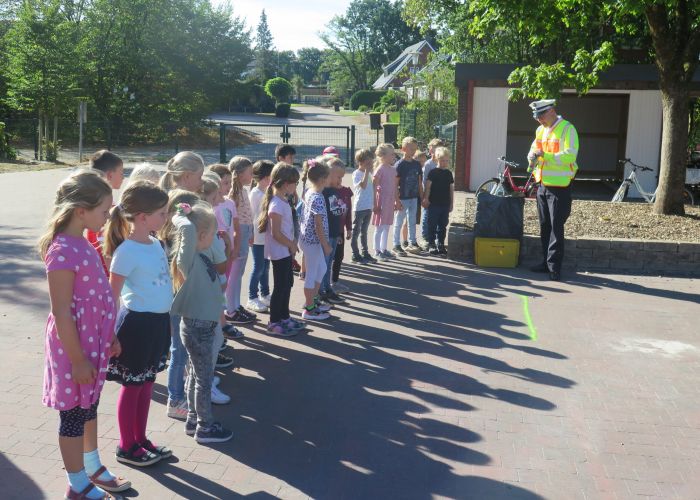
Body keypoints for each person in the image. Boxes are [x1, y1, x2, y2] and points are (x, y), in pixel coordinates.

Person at [38, 170, 130, 499]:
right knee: (74, 417)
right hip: (73, 349)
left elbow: (99, 299)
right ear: (81, 211)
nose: (108, 217)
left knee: (89, 407)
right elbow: (62, 311)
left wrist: (109, 336)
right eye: (104, 211)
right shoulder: (62, 251)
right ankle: (76, 484)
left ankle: (91, 466)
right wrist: (77, 360)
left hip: (93, 344)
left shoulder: (85, 243)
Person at [102, 181, 172, 467]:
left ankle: (140, 439)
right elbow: (112, 297)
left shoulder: (156, 243)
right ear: (142, 217)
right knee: (132, 386)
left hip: (158, 324)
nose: (166, 217)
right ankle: (126, 445)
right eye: (162, 213)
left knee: (147, 383)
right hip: (136, 326)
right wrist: (110, 335)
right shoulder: (127, 251)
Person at [170, 202, 234, 444]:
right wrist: (182, 215)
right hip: (198, 326)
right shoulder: (188, 258)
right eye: (212, 234)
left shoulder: (203, 253)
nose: (215, 238)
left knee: (197, 376)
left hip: (202, 323)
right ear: (202, 235)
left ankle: (193, 420)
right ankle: (205, 427)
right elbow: (187, 230)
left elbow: (220, 264)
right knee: (204, 380)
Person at [158, 151, 206, 420]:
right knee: (178, 348)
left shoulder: (179, 203)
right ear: (187, 176)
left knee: (183, 346)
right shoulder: (180, 206)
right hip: (179, 291)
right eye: (200, 176)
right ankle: (175, 398)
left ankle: (184, 390)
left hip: (183, 288)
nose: (202, 181)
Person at [527, 99, 579, 281]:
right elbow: (533, 149)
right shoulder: (540, 130)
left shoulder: (567, 129)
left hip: (560, 186)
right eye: (536, 117)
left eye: (541, 116)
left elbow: (570, 155)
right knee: (545, 226)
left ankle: (554, 268)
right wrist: (531, 156)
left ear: (551, 111)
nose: (539, 120)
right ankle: (545, 263)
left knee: (556, 227)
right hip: (542, 184)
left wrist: (546, 156)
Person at [258, 163, 306, 336]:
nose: (296, 186)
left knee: (287, 284)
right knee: (280, 287)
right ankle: (274, 322)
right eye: (295, 183)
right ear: (286, 184)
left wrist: (291, 245)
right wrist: (291, 244)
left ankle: (284, 318)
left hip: (285, 251)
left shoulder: (283, 200)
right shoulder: (276, 205)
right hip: (279, 253)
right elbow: (276, 233)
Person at [207, 164, 244, 341]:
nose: (229, 186)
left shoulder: (229, 203)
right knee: (215, 289)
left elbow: (236, 228)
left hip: (228, 254)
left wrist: (235, 248)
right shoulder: (208, 206)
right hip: (214, 256)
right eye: (225, 182)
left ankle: (221, 322)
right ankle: (220, 324)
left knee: (223, 286)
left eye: (230, 182)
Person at [299, 160, 333, 320]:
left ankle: (313, 301)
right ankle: (309, 309)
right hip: (313, 242)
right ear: (322, 179)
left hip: (311, 240)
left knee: (322, 269)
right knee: (312, 274)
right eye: (328, 176)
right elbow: (318, 224)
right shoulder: (317, 197)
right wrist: (325, 245)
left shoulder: (311, 192)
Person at [225, 156, 257, 325]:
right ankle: (230, 309)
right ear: (239, 174)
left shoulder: (244, 190)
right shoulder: (233, 193)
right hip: (238, 234)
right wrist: (236, 241)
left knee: (239, 273)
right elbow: (233, 220)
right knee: (234, 274)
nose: (252, 175)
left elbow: (247, 214)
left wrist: (251, 231)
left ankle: (236, 306)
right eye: (250, 172)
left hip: (245, 231)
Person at [87, 150, 125, 275]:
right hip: (106, 272)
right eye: (121, 173)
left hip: (96, 267)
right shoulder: (106, 208)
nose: (123, 177)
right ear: (109, 175)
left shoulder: (94, 202)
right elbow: (105, 245)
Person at [319, 158, 348, 305]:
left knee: (329, 263)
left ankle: (328, 288)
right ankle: (321, 292)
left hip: (334, 234)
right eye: (339, 177)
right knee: (323, 264)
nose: (340, 180)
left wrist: (338, 234)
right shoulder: (322, 192)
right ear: (328, 175)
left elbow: (336, 214)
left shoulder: (335, 191)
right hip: (326, 235)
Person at [247, 160, 274, 313]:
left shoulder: (267, 192)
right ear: (265, 177)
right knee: (259, 267)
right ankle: (252, 297)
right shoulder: (255, 194)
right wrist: (250, 234)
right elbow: (251, 217)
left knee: (265, 267)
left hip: (266, 238)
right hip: (258, 238)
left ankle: (265, 294)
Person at [392, 137, 423, 256]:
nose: (413, 151)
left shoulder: (417, 164)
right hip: (402, 198)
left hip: (414, 197)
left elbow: (419, 182)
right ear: (403, 149)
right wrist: (396, 200)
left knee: (412, 221)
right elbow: (395, 184)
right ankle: (396, 244)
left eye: (415, 149)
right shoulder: (399, 165)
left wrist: (421, 197)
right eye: (411, 149)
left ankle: (412, 242)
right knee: (399, 221)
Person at [422, 147, 454, 255]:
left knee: (443, 225)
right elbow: (428, 187)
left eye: (446, 161)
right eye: (442, 160)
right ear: (437, 159)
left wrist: (451, 203)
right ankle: (431, 244)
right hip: (433, 204)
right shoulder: (433, 172)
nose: (444, 163)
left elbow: (451, 189)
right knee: (432, 224)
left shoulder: (449, 173)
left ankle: (440, 244)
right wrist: (426, 198)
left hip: (445, 204)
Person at [372, 143, 398, 262]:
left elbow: (394, 187)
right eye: (391, 154)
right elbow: (374, 187)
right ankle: (377, 251)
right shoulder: (380, 169)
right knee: (379, 227)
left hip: (390, 202)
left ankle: (383, 249)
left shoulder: (393, 170)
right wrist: (374, 204)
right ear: (383, 156)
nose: (394, 156)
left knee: (387, 226)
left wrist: (396, 201)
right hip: (381, 201)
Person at [331, 159, 353, 293]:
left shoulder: (346, 192)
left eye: (341, 177)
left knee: (339, 257)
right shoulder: (327, 192)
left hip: (340, 231)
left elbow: (348, 211)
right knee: (329, 258)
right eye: (337, 177)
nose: (340, 180)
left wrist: (349, 228)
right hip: (330, 232)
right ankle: (326, 284)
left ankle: (335, 281)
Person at [350, 148, 376, 264]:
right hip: (360, 207)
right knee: (356, 231)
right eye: (368, 162)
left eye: (371, 161)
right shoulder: (356, 173)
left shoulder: (369, 173)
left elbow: (372, 187)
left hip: (368, 207)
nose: (370, 164)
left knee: (364, 231)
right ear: (361, 161)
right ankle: (355, 254)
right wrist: (366, 172)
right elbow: (363, 186)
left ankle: (365, 253)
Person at [421, 139, 445, 246]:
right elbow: (425, 181)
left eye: (434, 150)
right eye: (431, 150)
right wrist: (425, 196)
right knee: (427, 215)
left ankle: (435, 238)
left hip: (440, 196)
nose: (432, 152)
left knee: (438, 217)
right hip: (429, 195)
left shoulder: (443, 163)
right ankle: (425, 237)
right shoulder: (428, 164)